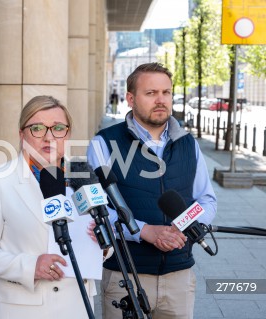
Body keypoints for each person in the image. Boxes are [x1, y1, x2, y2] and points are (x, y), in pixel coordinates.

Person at [87, 63, 217, 319]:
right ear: (131, 98)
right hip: (123, 276)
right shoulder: (103, 143)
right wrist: (143, 231)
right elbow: (96, 209)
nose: (161, 100)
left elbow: (206, 200)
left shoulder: (189, 144)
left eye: (166, 92)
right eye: (151, 93)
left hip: (179, 277)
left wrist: (181, 226)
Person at [0, 95, 102, 319]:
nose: (49, 137)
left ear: (68, 133)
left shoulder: (82, 175)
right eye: (37, 128)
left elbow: (99, 243)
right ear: (21, 134)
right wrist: (29, 266)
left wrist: (103, 244)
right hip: (22, 309)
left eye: (58, 128)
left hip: (77, 307)